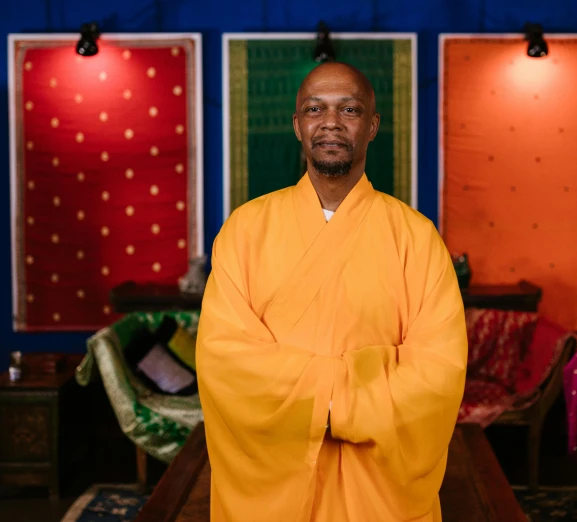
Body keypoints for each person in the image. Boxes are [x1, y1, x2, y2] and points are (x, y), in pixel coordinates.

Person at [195, 62, 468, 522]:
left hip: (378, 490)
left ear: (373, 126)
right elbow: (225, 360)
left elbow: (437, 370)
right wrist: (353, 393)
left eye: (350, 109)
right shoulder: (245, 230)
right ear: (297, 125)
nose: (331, 122)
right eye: (315, 109)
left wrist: (324, 404)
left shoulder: (416, 238)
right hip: (273, 486)